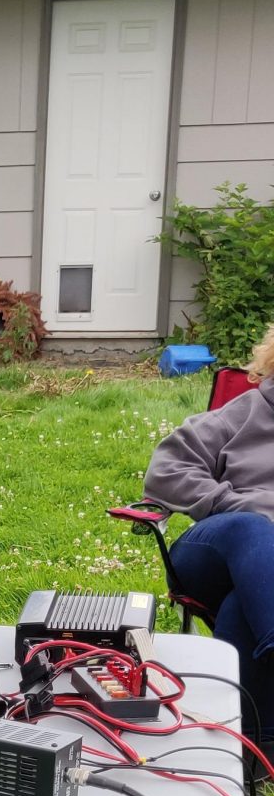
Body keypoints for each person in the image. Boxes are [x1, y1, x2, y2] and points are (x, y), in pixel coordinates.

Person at [143, 321, 274, 751]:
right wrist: (229, 502)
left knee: (243, 605)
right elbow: (166, 469)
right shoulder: (246, 411)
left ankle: (250, 748)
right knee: (253, 527)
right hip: (217, 547)